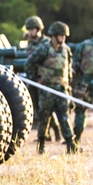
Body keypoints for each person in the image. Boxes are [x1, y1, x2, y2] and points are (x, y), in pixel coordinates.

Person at [26, 21, 77, 154]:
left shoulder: (66, 50)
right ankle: (41, 145)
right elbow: (29, 64)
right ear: (54, 36)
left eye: (65, 36)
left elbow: (68, 68)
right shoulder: (44, 49)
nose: (64, 38)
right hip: (47, 89)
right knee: (45, 117)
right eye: (61, 35)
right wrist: (35, 80)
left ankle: (71, 145)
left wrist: (68, 84)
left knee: (65, 116)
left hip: (62, 88)